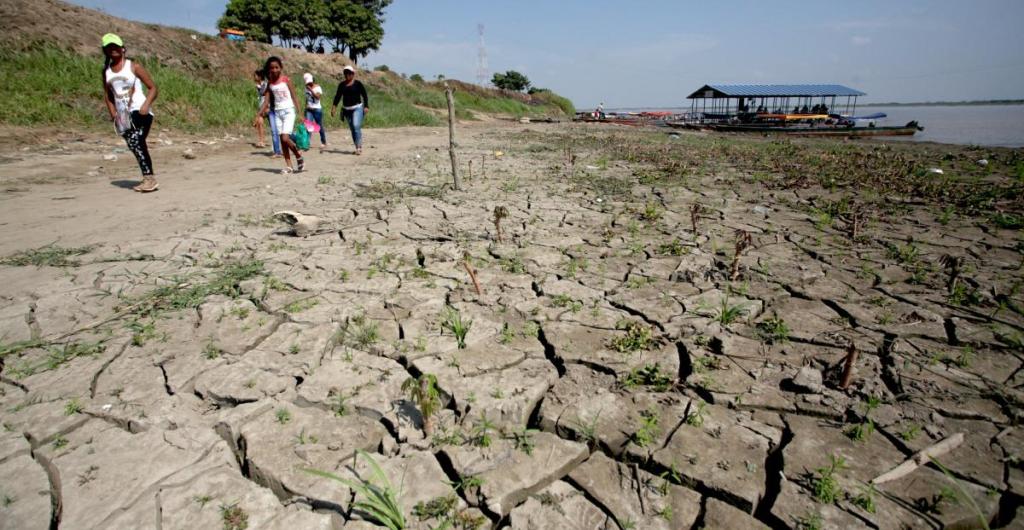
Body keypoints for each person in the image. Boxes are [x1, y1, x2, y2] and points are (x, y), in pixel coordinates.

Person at [101, 33, 159, 192]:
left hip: (139, 110)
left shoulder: (134, 67)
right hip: (122, 116)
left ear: (122, 48)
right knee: (136, 143)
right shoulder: (106, 72)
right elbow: (108, 96)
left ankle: (149, 179)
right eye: (109, 47)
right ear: (105, 51)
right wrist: (113, 114)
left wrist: (146, 105)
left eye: (115, 46)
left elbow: (153, 88)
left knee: (136, 141)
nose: (112, 49)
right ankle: (149, 178)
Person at [259, 57, 304, 173]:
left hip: (288, 111)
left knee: (285, 138)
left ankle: (297, 154)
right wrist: (258, 114)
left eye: (276, 67)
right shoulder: (270, 84)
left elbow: (294, 97)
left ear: (281, 68)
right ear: (269, 70)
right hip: (277, 113)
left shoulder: (286, 80)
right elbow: (266, 101)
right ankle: (289, 166)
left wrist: (300, 113)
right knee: (282, 140)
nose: (274, 70)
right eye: (272, 68)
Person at [330, 65, 369, 155]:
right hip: (346, 110)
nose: (347, 75)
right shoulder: (342, 85)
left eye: (349, 73)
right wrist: (334, 107)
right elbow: (338, 97)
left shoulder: (358, 84)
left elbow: (364, 95)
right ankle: (357, 146)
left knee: (356, 126)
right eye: (345, 73)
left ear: (353, 74)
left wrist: (366, 106)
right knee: (352, 129)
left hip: (357, 108)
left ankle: (359, 148)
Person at [303, 72, 327, 149]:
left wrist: (311, 90)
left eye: (310, 82)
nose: (309, 84)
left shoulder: (318, 87)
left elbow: (317, 97)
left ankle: (323, 142)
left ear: (312, 80)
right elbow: (307, 98)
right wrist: (305, 108)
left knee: (319, 126)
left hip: (317, 110)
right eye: (307, 83)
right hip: (309, 110)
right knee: (308, 126)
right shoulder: (306, 88)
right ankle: (307, 142)